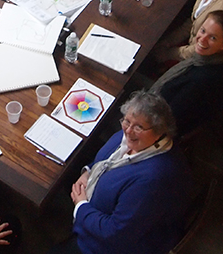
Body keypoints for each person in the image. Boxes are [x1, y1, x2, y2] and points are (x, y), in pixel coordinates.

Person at [50, 91, 191, 254]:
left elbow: (115, 233)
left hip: (103, 245)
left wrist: (81, 207)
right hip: (94, 215)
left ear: (160, 132)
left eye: (139, 127)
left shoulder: (153, 180)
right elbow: (104, 161)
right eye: (127, 121)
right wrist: (88, 172)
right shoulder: (134, 140)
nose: (129, 130)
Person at [151, 11, 223, 137]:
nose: (202, 39)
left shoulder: (202, 81)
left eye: (212, 38)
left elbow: (166, 121)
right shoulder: (207, 59)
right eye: (203, 31)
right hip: (159, 103)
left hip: (155, 127)